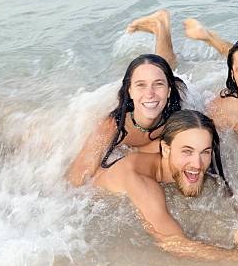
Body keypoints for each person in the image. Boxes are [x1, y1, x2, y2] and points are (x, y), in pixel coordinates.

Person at [93, 109, 238, 264]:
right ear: (165, 149)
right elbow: (174, 244)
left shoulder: (193, 171)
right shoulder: (139, 180)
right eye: (187, 151)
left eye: (205, 152)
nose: (198, 163)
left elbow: (237, 212)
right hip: (92, 215)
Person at [67, 54, 185, 186]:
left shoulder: (176, 122)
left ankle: (162, 33)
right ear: (130, 91)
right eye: (141, 85)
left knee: (169, 64)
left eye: (158, 84)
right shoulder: (112, 127)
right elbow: (76, 177)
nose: (150, 93)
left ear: (169, 91)